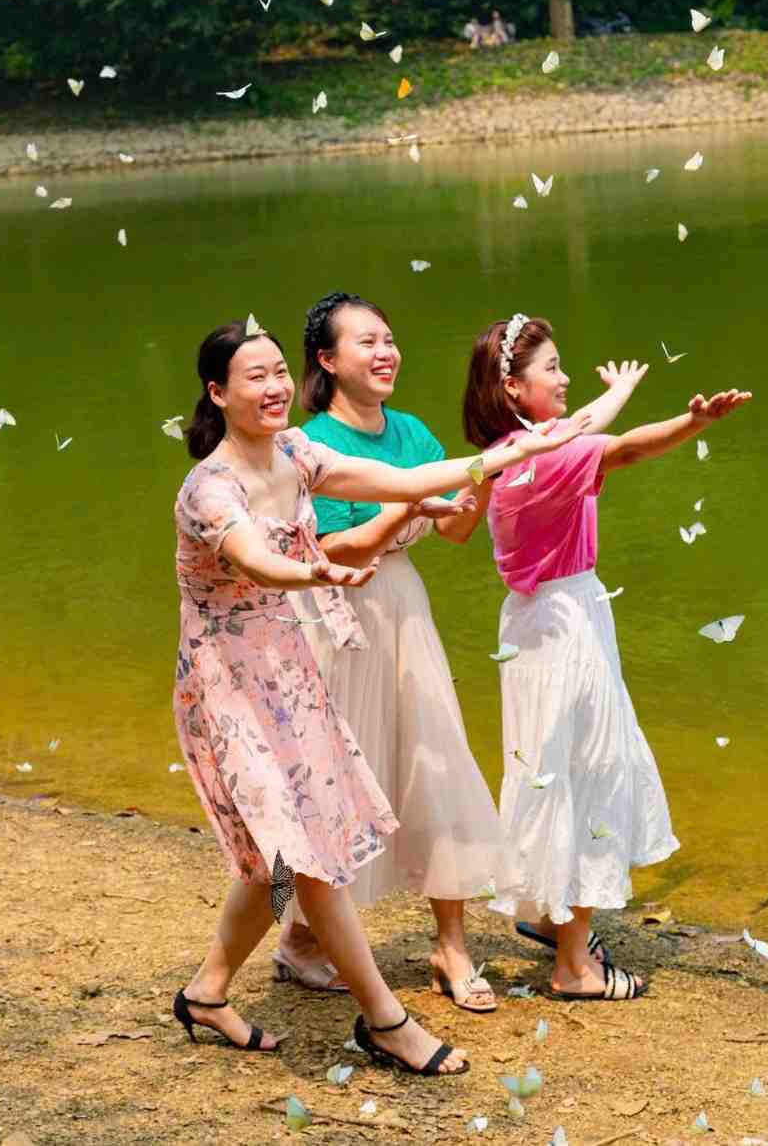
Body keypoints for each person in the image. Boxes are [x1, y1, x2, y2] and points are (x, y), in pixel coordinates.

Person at [169, 315, 578, 1075]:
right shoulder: (209, 489)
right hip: (230, 691)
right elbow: (255, 559)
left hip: (290, 674)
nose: (274, 387)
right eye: (255, 377)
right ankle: (387, 1020)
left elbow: (403, 482)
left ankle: (206, 990)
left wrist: (513, 451)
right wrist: (315, 570)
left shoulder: (295, 453)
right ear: (218, 393)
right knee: (307, 857)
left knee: (274, 858)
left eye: (278, 372)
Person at [461, 314, 751, 1001]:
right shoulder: (547, 458)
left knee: (546, 768)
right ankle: (574, 965)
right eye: (552, 368)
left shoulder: (510, 453)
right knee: (590, 770)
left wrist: (622, 393)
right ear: (513, 387)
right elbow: (621, 448)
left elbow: (588, 428)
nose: (564, 378)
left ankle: (548, 913)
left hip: (534, 622)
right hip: (567, 621)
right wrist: (693, 423)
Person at [269, 293, 505, 1012]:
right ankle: (298, 938)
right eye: (366, 341)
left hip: (403, 606)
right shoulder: (307, 444)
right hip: (336, 612)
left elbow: (456, 530)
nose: (385, 352)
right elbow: (335, 548)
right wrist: (407, 505)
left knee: (438, 757)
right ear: (327, 359)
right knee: (335, 778)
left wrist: (487, 471)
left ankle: (452, 946)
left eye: (390, 339)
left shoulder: (411, 432)